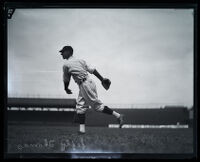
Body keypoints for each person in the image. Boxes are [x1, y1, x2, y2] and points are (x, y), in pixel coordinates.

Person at [59, 45, 124, 134]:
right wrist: (102, 79)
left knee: (97, 107)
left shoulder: (66, 65)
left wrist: (66, 88)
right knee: (80, 107)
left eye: (63, 52)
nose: (61, 53)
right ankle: (82, 130)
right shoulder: (80, 60)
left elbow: (66, 79)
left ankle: (118, 116)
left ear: (69, 52)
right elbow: (92, 70)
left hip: (85, 84)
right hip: (86, 84)